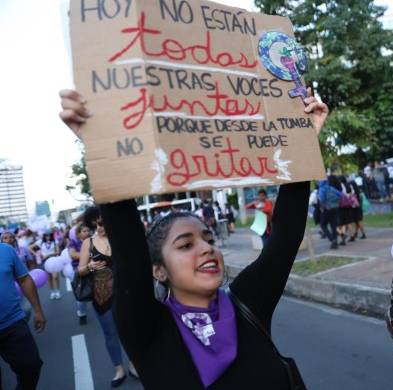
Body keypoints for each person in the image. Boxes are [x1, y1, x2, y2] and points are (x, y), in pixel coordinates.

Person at [59, 87, 328, 389]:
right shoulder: (148, 329)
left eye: (209, 239)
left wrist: (304, 143)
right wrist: (100, 146)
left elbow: (285, 238)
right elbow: (129, 249)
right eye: (186, 245)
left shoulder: (248, 304)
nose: (207, 249)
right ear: (158, 270)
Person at [78, 207, 137, 387]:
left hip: (126, 292)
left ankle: (133, 365)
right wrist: (90, 267)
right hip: (102, 295)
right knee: (110, 333)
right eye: (94, 224)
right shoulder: (88, 243)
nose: (99, 227)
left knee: (130, 330)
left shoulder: (119, 236)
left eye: (102, 222)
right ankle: (118, 369)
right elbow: (80, 270)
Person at [0, 243, 45, 389]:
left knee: (31, 367)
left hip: (13, 323)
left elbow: (24, 279)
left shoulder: (6, 250)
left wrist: (37, 310)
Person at [69, 223, 92, 325]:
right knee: (82, 293)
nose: (87, 233)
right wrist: (87, 256)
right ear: (78, 233)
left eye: (88, 231)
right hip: (79, 270)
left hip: (93, 267)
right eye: (84, 231)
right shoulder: (73, 242)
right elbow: (73, 255)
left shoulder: (93, 240)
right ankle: (82, 314)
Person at [33, 232, 60, 299]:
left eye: (49, 235)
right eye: (46, 236)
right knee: (49, 278)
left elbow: (58, 251)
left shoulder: (54, 241)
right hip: (45, 261)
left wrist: (48, 255)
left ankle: (58, 291)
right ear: (44, 236)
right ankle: (52, 292)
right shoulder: (40, 242)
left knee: (55, 277)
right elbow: (29, 247)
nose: (48, 237)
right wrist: (37, 254)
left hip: (53, 260)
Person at [319, 176, 342, 249]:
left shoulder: (322, 188)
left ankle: (332, 239)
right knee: (333, 225)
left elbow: (321, 199)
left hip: (327, 209)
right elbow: (340, 194)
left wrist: (322, 205)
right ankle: (335, 241)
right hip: (335, 208)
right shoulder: (331, 187)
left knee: (323, 224)